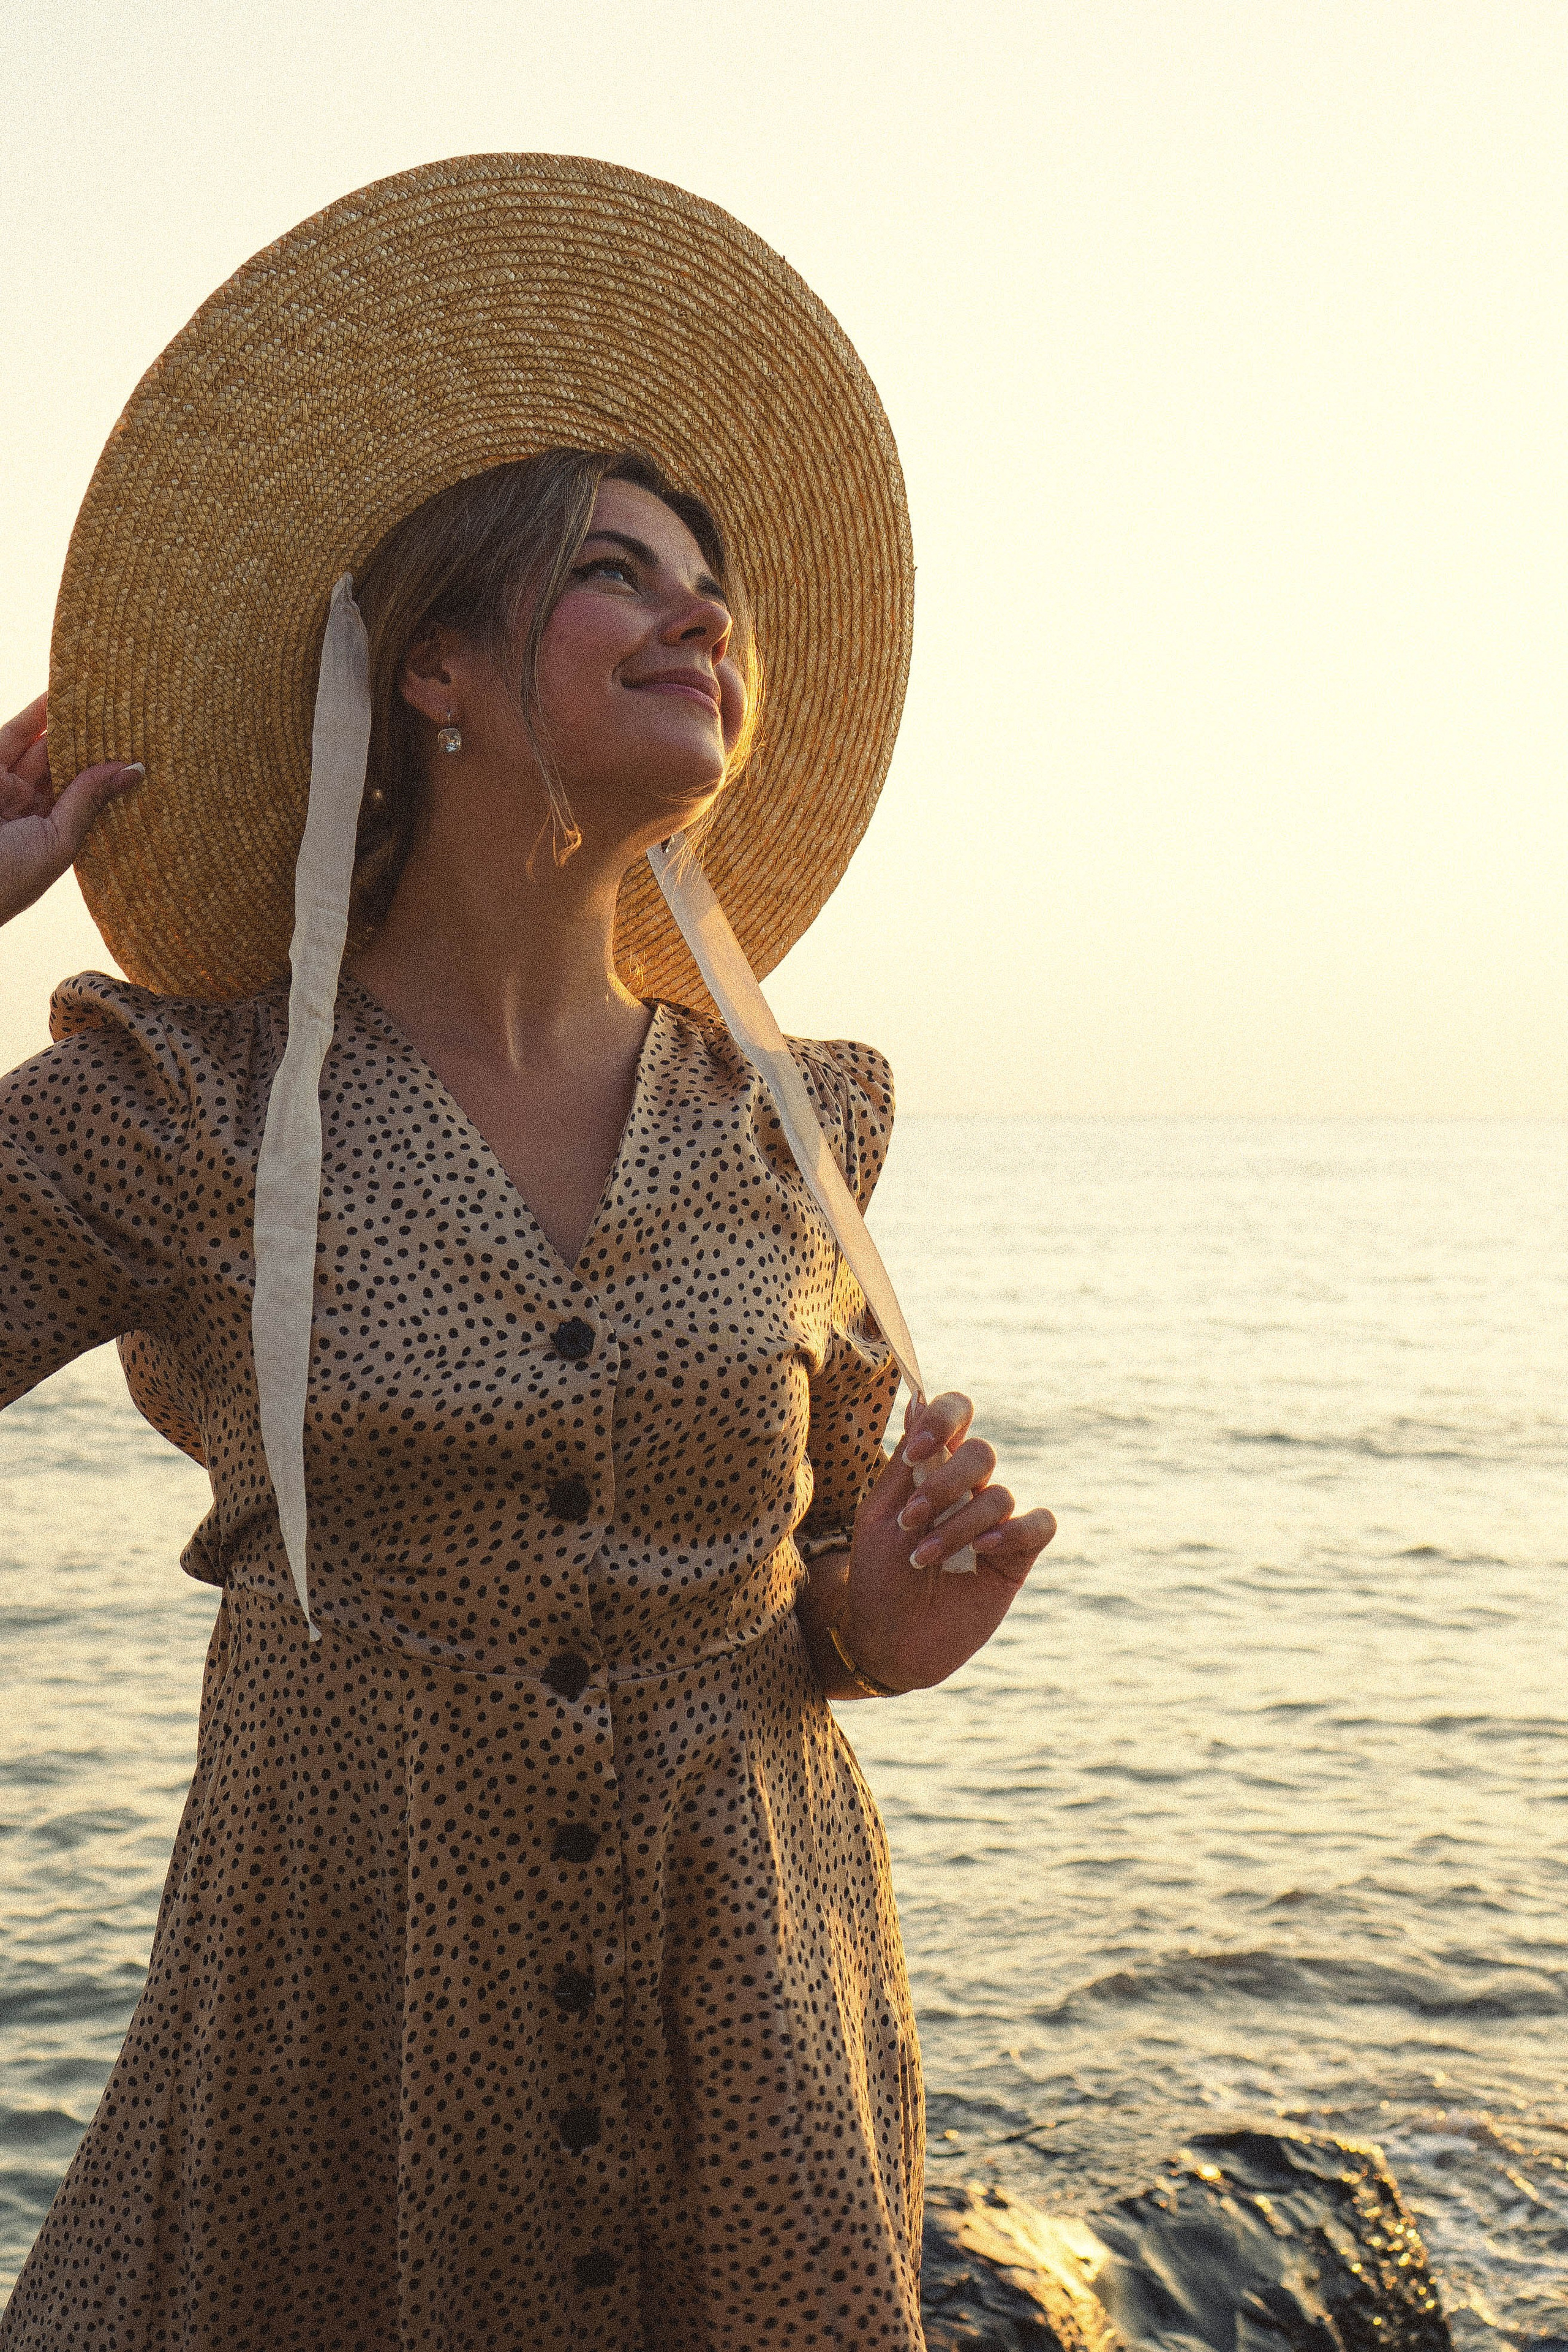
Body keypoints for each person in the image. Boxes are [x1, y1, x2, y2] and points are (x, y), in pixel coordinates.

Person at [0, 157, 1055, 2351]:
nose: (704, 618)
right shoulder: (189, 1103)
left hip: (747, 2049)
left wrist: (878, 1614)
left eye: (715, 586)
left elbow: (824, 1579)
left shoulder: (798, 1120)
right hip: (350, 2047)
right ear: (440, 671)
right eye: (615, 572)